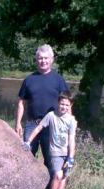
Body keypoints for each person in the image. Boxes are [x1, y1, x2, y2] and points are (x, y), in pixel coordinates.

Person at [15, 44, 69, 178]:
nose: (43, 61)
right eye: (40, 58)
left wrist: (68, 124)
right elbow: (21, 102)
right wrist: (18, 123)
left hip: (52, 126)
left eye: (46, 58)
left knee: (51, 161)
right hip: (32, 125)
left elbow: (67, 103)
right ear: (36, 60)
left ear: (51, 60)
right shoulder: (29, 80)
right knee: (26, 158)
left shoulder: (58, 80)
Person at [23, 91, 77, 189]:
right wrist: (28, 141)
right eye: (62, 104)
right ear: (58, 103)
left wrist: (71, 157)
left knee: (64, 176)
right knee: (57, 175)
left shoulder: (72, 120)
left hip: (67, 153)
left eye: (67, 105)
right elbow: (38, 128)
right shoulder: (51, 116)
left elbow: (72, 140)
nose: (64, 107)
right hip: (55, 152)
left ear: (71, 106)